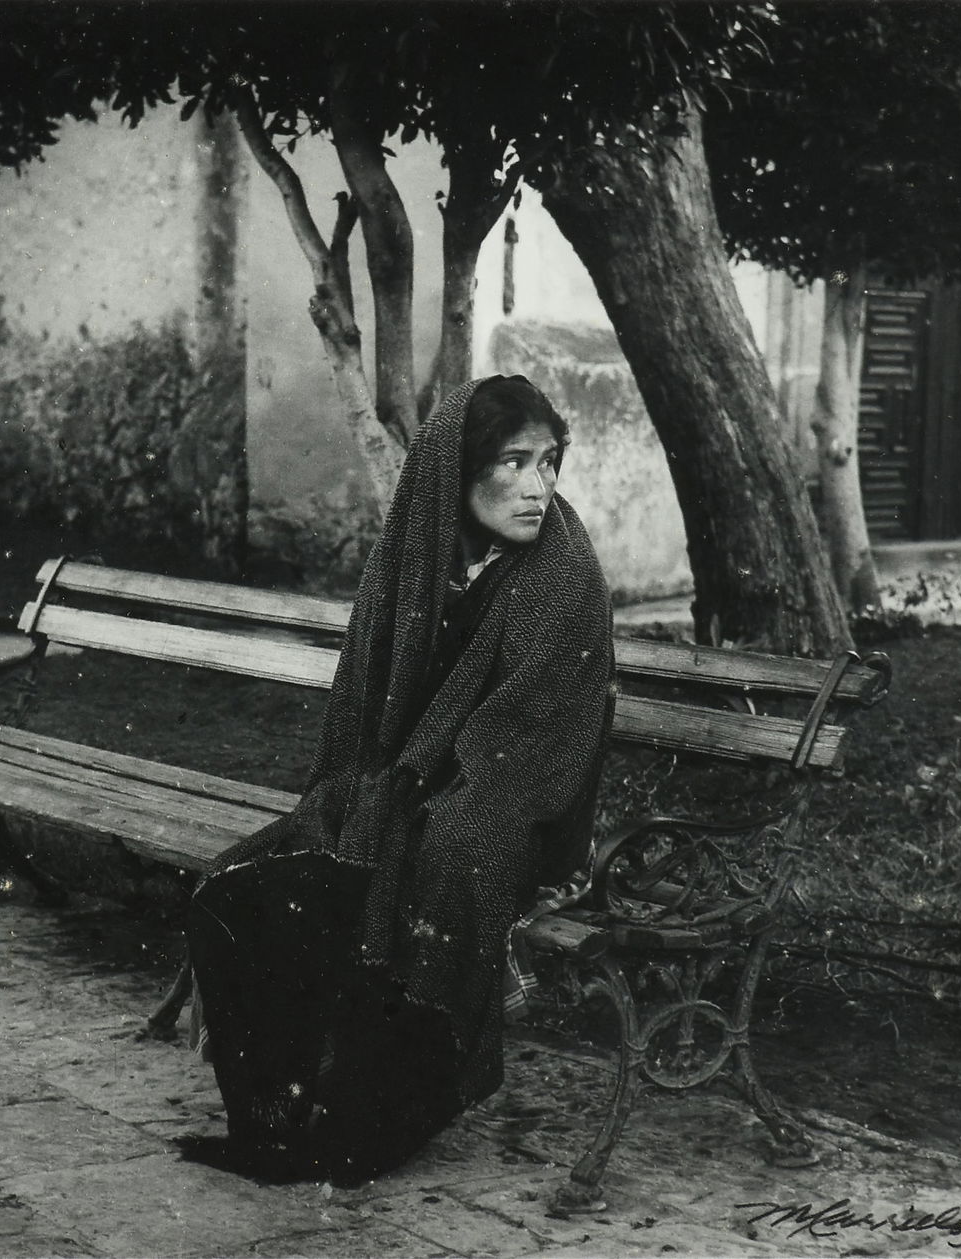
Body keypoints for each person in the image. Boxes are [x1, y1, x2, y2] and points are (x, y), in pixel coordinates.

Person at [182, 375, 615, 1185]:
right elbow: (368, 703)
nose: (537, 486)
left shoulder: (561, 573)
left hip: (506, 802)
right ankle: (274, 1114)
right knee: (236, 885)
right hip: (411, 783)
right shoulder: (415, 555)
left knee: (442, 858)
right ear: (455, 471)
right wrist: (373, 788)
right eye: (513, 462)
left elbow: (529, 735)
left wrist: (414, 792)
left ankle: (373, 1124)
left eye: (550, 461)